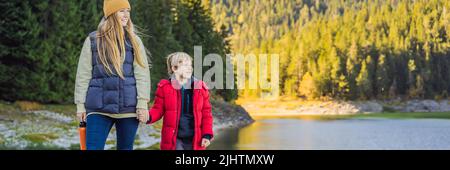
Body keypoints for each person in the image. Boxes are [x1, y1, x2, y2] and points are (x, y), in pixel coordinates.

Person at [74, 0, 151, 150]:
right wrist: (80, 105)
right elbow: (83, 75)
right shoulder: (93, 40)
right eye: (121, 11)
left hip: (128, 109)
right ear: (111, 13)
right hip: (98, 108)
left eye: (128, 11)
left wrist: (142, 104)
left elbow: (142, 74)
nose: (126, 15)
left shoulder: (135, 41)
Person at [139, 52, 213, 150]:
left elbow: (206, 114)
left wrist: (206, 135)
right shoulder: (165, 87)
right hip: (174, 138)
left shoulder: (200, 88)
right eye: (185, 65)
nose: (189, 68)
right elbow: (158, 109)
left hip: (196, 139)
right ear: (174, 68)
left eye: (190, 65)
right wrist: (148, 116)